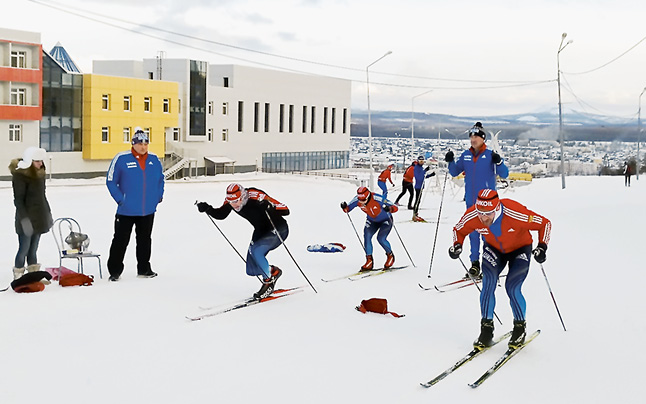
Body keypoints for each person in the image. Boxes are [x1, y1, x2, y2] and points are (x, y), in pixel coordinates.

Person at [448, 189, 551, 349]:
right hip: (493, 249)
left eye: (487, 213)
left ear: (496, 209)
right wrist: (457, 245)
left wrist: (542, 247)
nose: (483, 218)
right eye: (480, 212)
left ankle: (519, 328)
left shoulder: (514, 212)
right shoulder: (474, 215)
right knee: (488, 285)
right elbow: (459, 230)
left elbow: (544, 224)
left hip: (520, 249)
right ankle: (486, 330)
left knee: (512, 287)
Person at [196, 184, 289, 300]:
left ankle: (268, 281)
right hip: (261, 231)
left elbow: (285, 209)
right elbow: (221, 214)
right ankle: (273, 272)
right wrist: (208, 209)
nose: (234, 205)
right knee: (251, 269)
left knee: (256, 251)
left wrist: (270, 206)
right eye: (231, 202)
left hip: (278, 229)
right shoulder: (230, 201)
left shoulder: (255, 196)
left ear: (242, 196)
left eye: (236, 201)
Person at [445, 122, 509, 277]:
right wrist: (450, 161)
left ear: (482, 139)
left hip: (488, 203)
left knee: (489, 233)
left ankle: (492, 263)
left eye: (476, 136)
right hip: (471, 202)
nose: (473, 139)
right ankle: (475, 264)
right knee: (473, 231)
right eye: (471, 136)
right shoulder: (466, 155)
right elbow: (454, 172)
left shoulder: (489, 155)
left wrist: (498, 161)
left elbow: (505, 174)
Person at [106, 128, 164, 281]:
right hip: (126, 210)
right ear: (133, 144)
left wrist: (158, 196)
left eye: (146, 143)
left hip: (147, 210)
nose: (143, 146)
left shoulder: (154, 159)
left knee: (145, 240)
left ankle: (144, 268)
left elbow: (160, 179)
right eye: (140, 143)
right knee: (120, 241)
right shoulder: (122, 158)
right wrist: (121, 199)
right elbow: (111, 181)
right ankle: (115, 271)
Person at [9, 147, 53, 281]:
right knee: (24, 248)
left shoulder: (39, 175)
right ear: (29, 161)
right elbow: (19, 200)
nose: (41, 164)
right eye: (37, 161)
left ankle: (33, 275)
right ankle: (19, 275)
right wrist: (24, 220)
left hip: (39, 216)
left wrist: (48, 214)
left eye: (41, 161)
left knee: (33, 249)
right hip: (26, 218)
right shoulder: (20, 176)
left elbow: (42, 197)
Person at [341, 186, 398, 271]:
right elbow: (348, 209)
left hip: (385, 220)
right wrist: (344, 207)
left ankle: (390, 256)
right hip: (372, 221)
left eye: (364, 200)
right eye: (360, 200)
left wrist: (389, 208)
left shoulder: (377, 198)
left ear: (368, 197)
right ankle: (369, 261)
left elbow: (395, 207)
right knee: (367, 237)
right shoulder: (357, 199)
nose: (362, 202)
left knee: (381, 238)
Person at [412, 155, 436, 221]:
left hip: (421, 186)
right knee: (417, 200)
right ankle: (414, 214)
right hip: (418, 187)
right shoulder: (416, 168)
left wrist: (430, 175)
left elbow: (423, 176)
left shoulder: (421, 168)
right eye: (420, 161)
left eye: (422, 161)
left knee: (418, 200)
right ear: (418, 161)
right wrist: (425, 170)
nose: (421, 162)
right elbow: (419, 177)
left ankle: (416, 213)